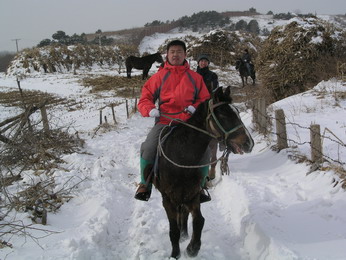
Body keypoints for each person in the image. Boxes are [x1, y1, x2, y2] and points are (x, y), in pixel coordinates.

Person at [134, 40, 211, 203]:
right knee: (148, 147)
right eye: (172, 52)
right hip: (164, 121)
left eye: (179, 52)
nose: (176, 55)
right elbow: (144, 98)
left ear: (185, 55)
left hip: (189, 123)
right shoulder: (158, 77)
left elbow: (205, 100)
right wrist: (150, 109)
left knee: (206, 149)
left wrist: (194, 107)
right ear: (167, 55)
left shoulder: (195, 78)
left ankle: (202, 184)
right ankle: (144, 183)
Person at [196, 54, 219, 180]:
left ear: (208, 63)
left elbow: (215, 87)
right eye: (201, 61)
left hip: (208, 100)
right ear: (198, 63)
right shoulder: (193, 74)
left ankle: (221, 138)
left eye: (205, 61)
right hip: (195, 102)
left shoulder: (212, 75)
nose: (203, 63)